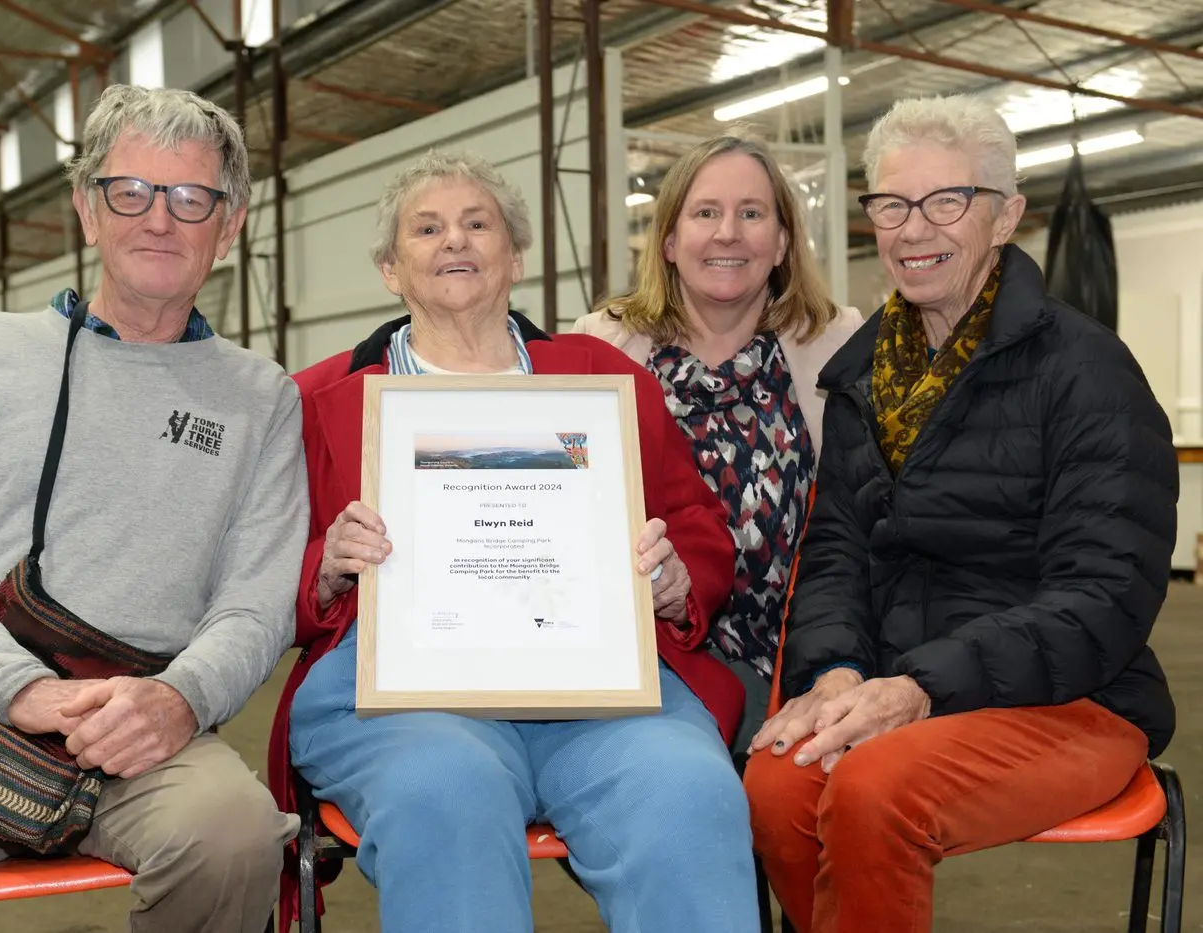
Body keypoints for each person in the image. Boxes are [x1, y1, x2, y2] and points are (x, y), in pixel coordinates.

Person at [0, 84, 307, 933]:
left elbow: (256, 601)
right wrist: (18, 687)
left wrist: (179, 698)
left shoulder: (262, 398)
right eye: (130, 191)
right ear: (86, 209)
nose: (159, 219)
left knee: (232, 838)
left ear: (230, 227)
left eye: (191, 198)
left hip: (137, 728)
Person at [270, 150, 759, 933]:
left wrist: (673, 579)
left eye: (477, 223)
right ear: (392, 268)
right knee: (446, 789)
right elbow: (260, 569)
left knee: (687, 791)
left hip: (598, 687)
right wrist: (325, 567)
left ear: (516, 255)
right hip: (399, 695)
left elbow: (696, 524)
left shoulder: (599, 379)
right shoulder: (316, 398)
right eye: (427, 229)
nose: (454, 241)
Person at [743, 94, 1178, 933]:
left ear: (1005, 216)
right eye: (892, 205)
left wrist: (923, 685)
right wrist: (833, 670)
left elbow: (1108, 592)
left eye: (947, 202)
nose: (914, 230)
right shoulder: (861, 379)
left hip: (1072, 697)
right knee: (778, 781)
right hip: (906, 688)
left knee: (874, 789)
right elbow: (834, 553)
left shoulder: (1087, 372)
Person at [575, 135, 862, 749]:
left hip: (800, 665)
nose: (728, 233)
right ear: (671, 241)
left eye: (752, 214)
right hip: (650, 668)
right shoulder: (601, 347)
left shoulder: (837, 343)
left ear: (782, 241)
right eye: (706, 213)